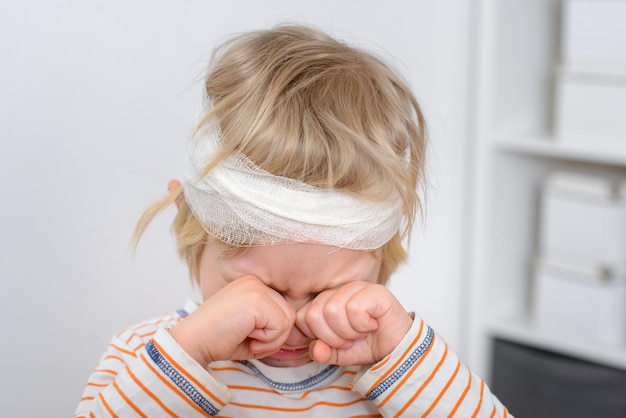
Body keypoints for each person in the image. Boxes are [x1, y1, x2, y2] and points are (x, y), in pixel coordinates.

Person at [75, 24, 511, 417]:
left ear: (382, 250)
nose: (290, 321)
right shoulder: (148, 359)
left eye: (327, 291)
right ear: (190, 218)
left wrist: (401, 350)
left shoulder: (403, 373)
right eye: (262, 288)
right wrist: (194, 349)